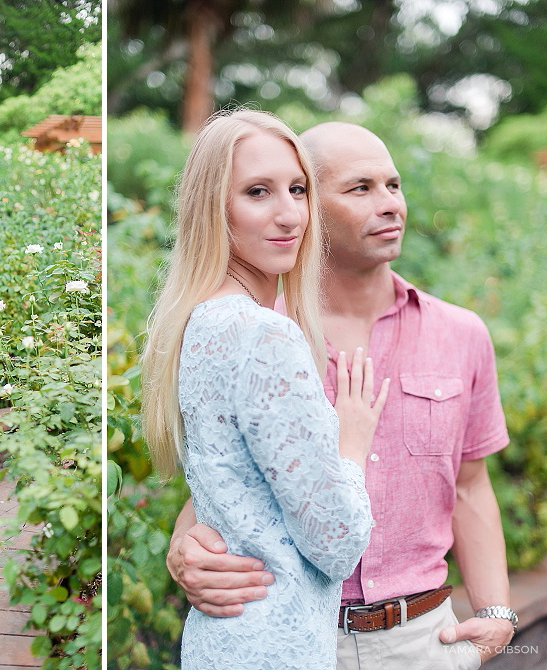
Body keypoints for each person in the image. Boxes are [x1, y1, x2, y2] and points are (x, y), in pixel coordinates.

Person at [166, 122, 514, 669]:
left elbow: (471, 486)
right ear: (315, 211)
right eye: (361, 188)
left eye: (393, 185)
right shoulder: (260, 332)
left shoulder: (461, 334)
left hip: (423, 642)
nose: (390, 205)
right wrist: (184, 550)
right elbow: (228, 480)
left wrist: (498, 615)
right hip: (301, 636)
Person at [141, 110, 390, 669]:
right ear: (214, 208)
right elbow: (336, 542)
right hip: (276, 644)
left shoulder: (200, 322)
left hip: (224, 638)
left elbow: (234, 489)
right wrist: (351, 443)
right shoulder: (262, 333)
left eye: (298, 189)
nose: (289, 214)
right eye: (258, 192)